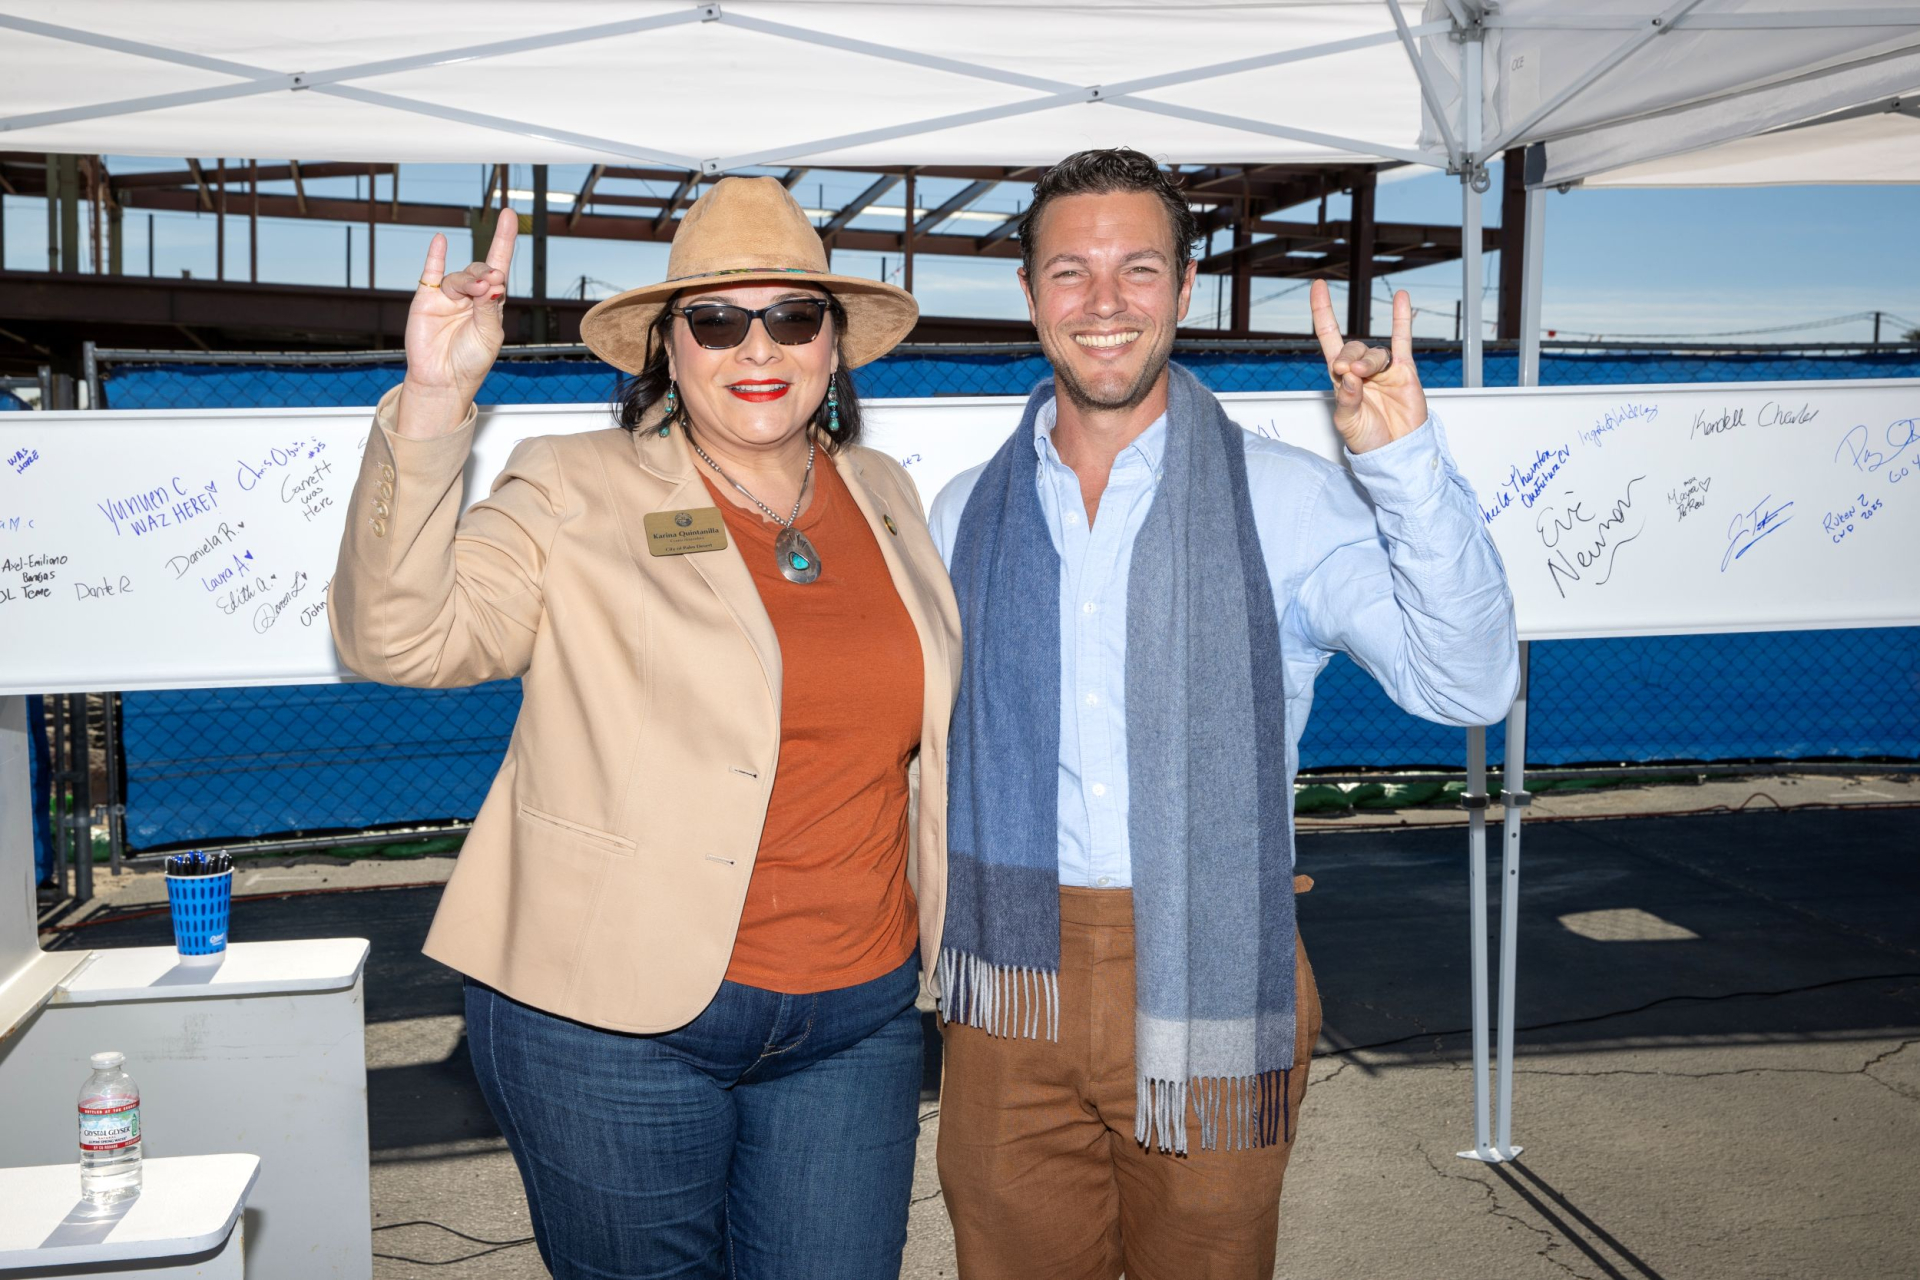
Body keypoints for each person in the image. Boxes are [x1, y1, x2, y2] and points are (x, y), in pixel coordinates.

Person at [328, 176, 961, 1280]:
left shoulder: (886, 491)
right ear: (667, 348)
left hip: (855, 1013)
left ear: (832, 344)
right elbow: (403, 639)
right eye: (715, 320)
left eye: (792, 317)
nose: (755, 347)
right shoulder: (574, 483)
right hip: (607, 1020)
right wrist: (432, 403)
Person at [928, 148, 1519, 1280]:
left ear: (1186, 290)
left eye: (1138, 269)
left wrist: (1401, 463)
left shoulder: (1288, 498)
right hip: (1008, 981)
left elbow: (1469, 681)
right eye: (1071, 271)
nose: (1104, 303)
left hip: (1215, 970)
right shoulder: (965, 513)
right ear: (1029, 294)